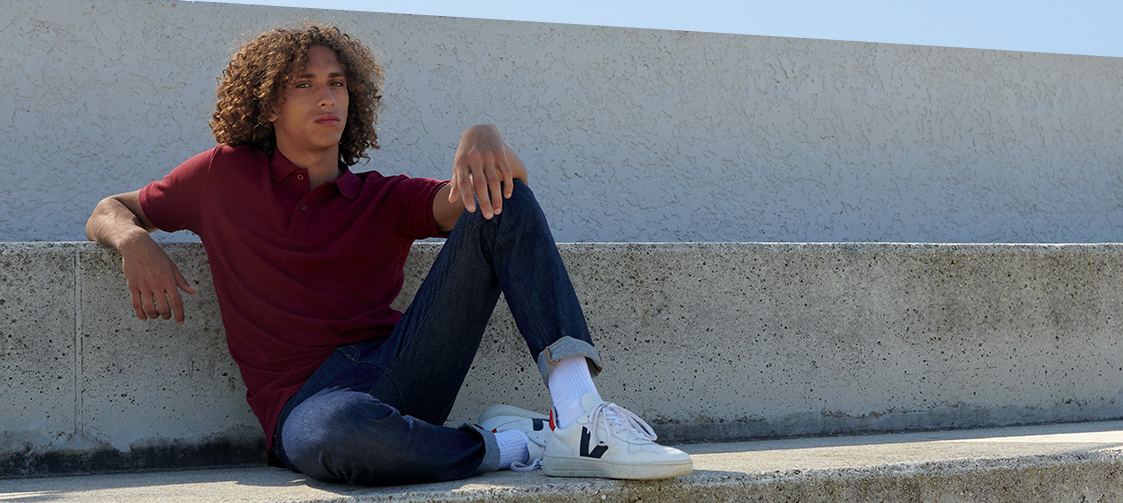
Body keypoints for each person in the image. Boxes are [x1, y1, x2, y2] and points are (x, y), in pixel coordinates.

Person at [81, 22, 692, 486]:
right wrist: (133, 239)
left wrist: (484, 136)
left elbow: (492, 200)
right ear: (268, 104)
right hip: (309, 402)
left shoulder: (381, 196)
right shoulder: (221, 177)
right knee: (343, 436)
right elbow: (110, 207)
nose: (327, 97)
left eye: (337, 83)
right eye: (304, 84)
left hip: (402, 366)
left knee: (503, 197)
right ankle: (513, 445)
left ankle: (579, 413)